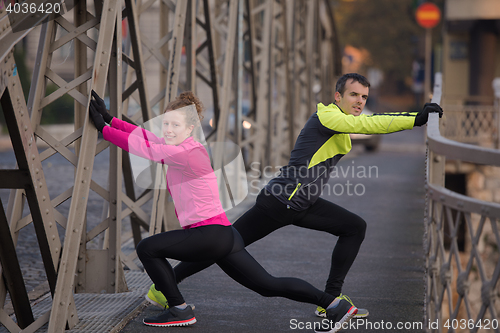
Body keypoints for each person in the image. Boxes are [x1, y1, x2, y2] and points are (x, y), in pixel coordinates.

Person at [143, 73, 443, 319]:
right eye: (354, 95)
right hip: (279, 201)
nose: (360, 102)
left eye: (364, 97)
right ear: (338, 96)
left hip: (302, 203)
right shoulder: (328, 116)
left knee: (354, 227)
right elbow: (369, 124)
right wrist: (415, 118)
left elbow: (363, 123)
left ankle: (333, 299)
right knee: (226, 244)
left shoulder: (342, 121)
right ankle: (165, 287)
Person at [89, 90, 359, 332]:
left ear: (192, 127)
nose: (168, 130)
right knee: (267, 285)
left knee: (147, 248)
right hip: (224, 235)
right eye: (166, 124)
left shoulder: (187, 153)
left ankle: (178, 308)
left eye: (175, 125)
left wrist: (103, 130)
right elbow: (148, 138)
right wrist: (111, 120)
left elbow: (146, 149)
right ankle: (333, 305)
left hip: (208, 234)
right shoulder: (180, 147)